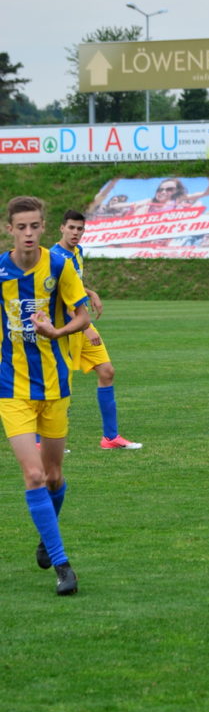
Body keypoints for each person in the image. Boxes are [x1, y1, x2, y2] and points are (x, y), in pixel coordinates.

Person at [0, 196, 92, 595]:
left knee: (53, 476)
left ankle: (46, 533)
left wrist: (57, 332)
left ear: (43, 226)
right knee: (34, 474)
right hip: (12, 388)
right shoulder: (0, 271)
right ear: (9, 229)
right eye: (21, 227)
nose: (28, 234)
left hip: (55, 385)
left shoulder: (59, 265)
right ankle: (62, 565)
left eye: (34, 226)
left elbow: (82, 316)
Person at [51, 210, 142, 450]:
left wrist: (90, 292)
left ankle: (110, 438)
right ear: (61, 228)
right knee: (59, 385)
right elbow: (60, 297)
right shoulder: (54, 258)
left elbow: (73, 285)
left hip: (81, 323)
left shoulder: (77, 252)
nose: (75, 233)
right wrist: (86, 328)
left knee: (107, 371)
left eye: (80, 229)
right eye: (71, 228)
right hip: (66, 327)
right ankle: (44, 442)